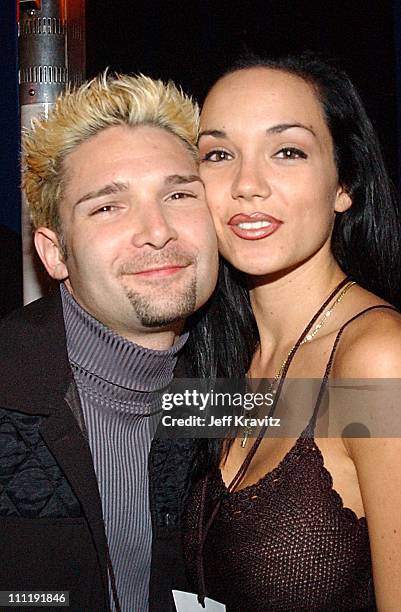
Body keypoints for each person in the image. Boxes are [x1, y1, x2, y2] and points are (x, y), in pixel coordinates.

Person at [182, 53, 401, 610]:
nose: (247, 184)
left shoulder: (376, 359)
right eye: (219, 154)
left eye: (288, 151)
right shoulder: (228, 361)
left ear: (344, 183)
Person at [0, 73, 218, 612]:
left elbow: (376, 413)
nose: (157, 229)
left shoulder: (248, 380)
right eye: (107, 207)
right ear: (54, 253)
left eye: (179, 193)